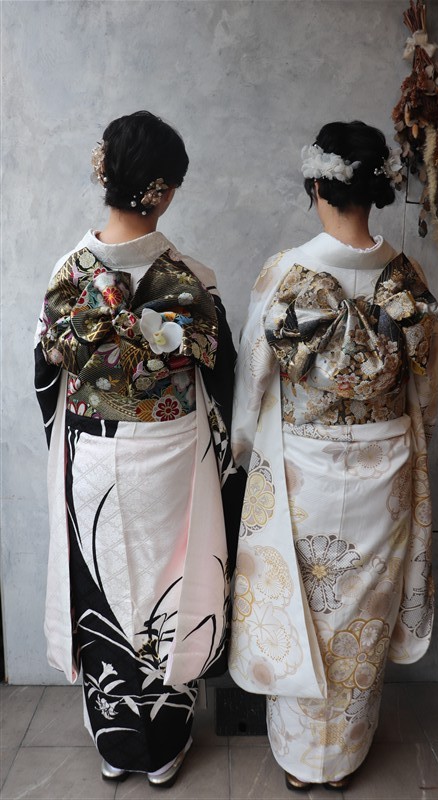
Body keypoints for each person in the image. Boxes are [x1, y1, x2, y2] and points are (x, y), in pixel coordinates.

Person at [228, 120, 438, 790]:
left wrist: (242, 445)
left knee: (304, 605)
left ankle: (300, 761)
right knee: (363, 610)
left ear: (317, 186)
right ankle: (344, 757)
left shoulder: (285, 272)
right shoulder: (407, 278)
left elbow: (252, 379)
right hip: (386, 466)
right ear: (375, 189)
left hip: (302, 469)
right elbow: (427, 390)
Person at [34, 110, 242, 787]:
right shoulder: (194, 278)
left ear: (106, 175)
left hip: (93, 452)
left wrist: (73, 433)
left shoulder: (68, 274)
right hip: (174, 455)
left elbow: (46, 380)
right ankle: (165, 740)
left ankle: (116, 742)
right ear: (164, 191)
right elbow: (223, 380)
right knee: (171, 588)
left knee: (101, 579)